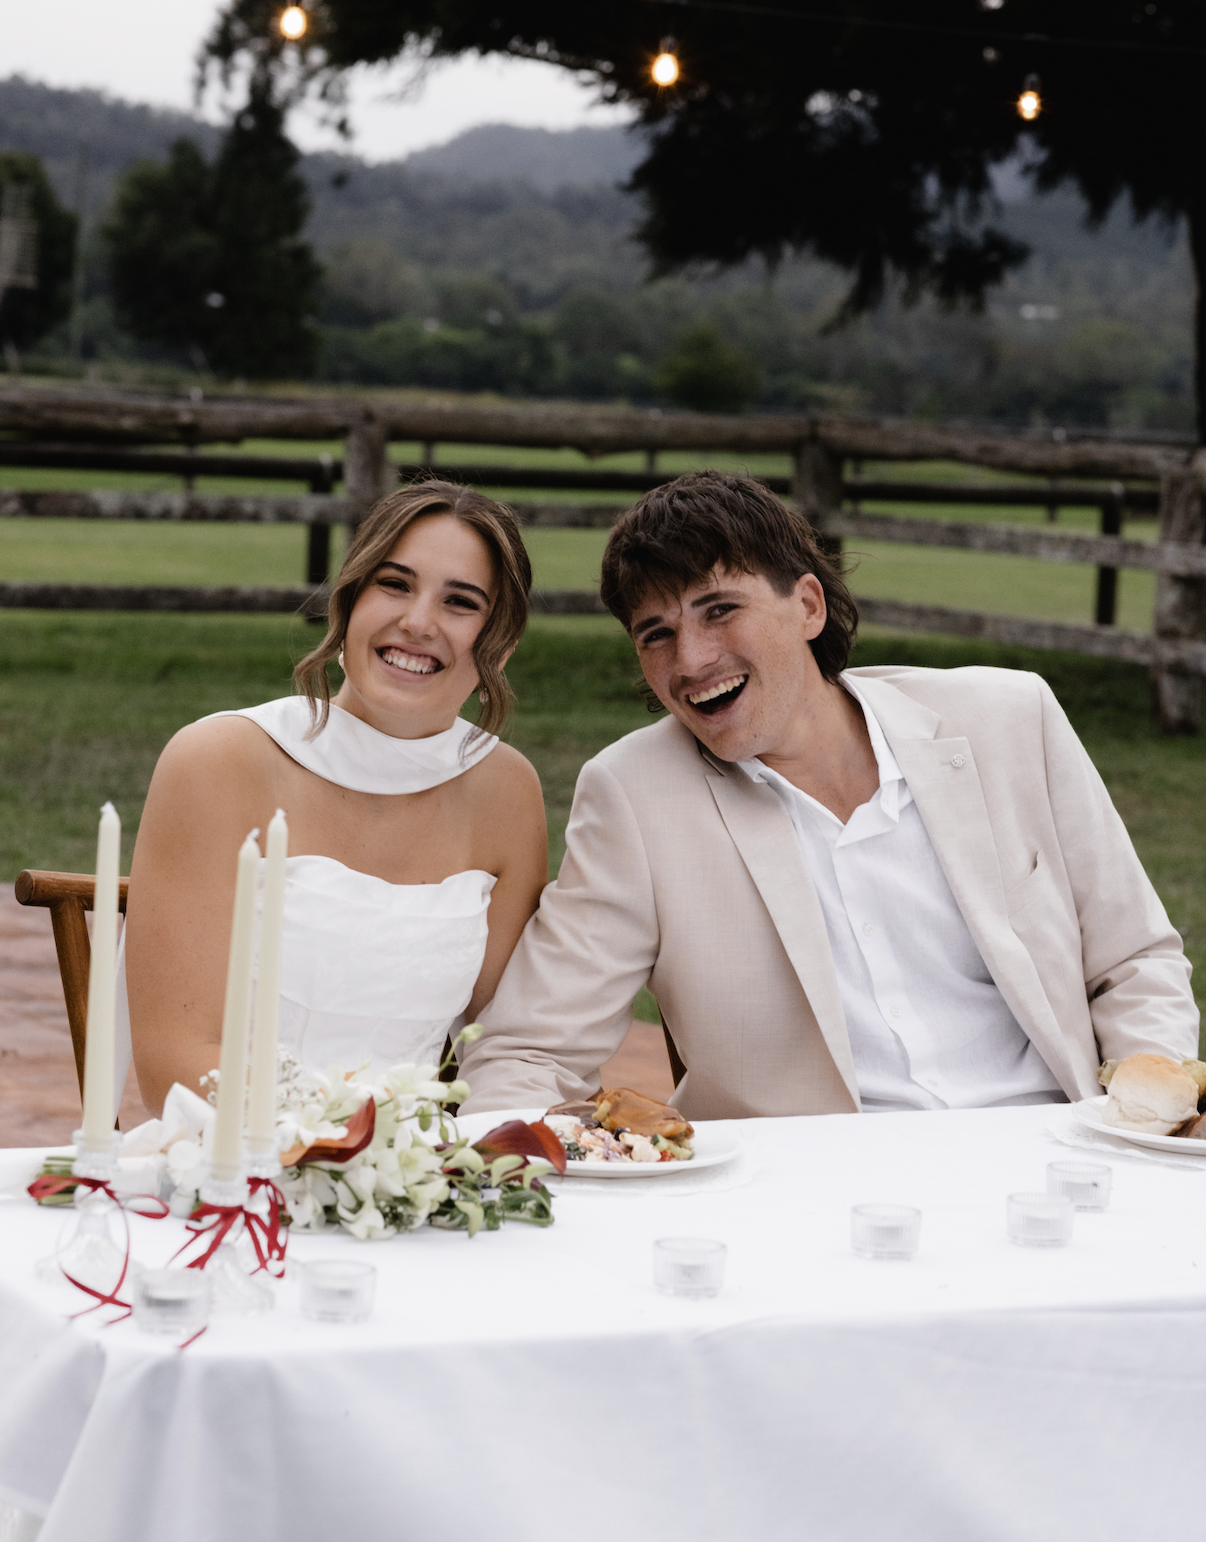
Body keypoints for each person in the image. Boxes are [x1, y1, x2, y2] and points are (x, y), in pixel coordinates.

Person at [459, 471, 1198, 1119]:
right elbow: (530, 1049)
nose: (691, 660)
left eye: (720, 609)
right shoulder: (635, 795)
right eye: (656, 634)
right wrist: (509, 1165)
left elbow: (1134, 961)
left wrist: (1143, 1124)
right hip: (814, 1206)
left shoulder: (1010, 719)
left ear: (808, 605)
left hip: (1053, 1154)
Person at [125, 481, 547, 1110]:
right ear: (347, 603)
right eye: (394, 584)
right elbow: (178, 1065)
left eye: (460, 602)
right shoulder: (218, 762)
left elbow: (504, 1046)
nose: (418, 621)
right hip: (229, 1164)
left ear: (502, 643)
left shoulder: (507, 792)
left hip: (415, 1185)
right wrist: (352, 1159)